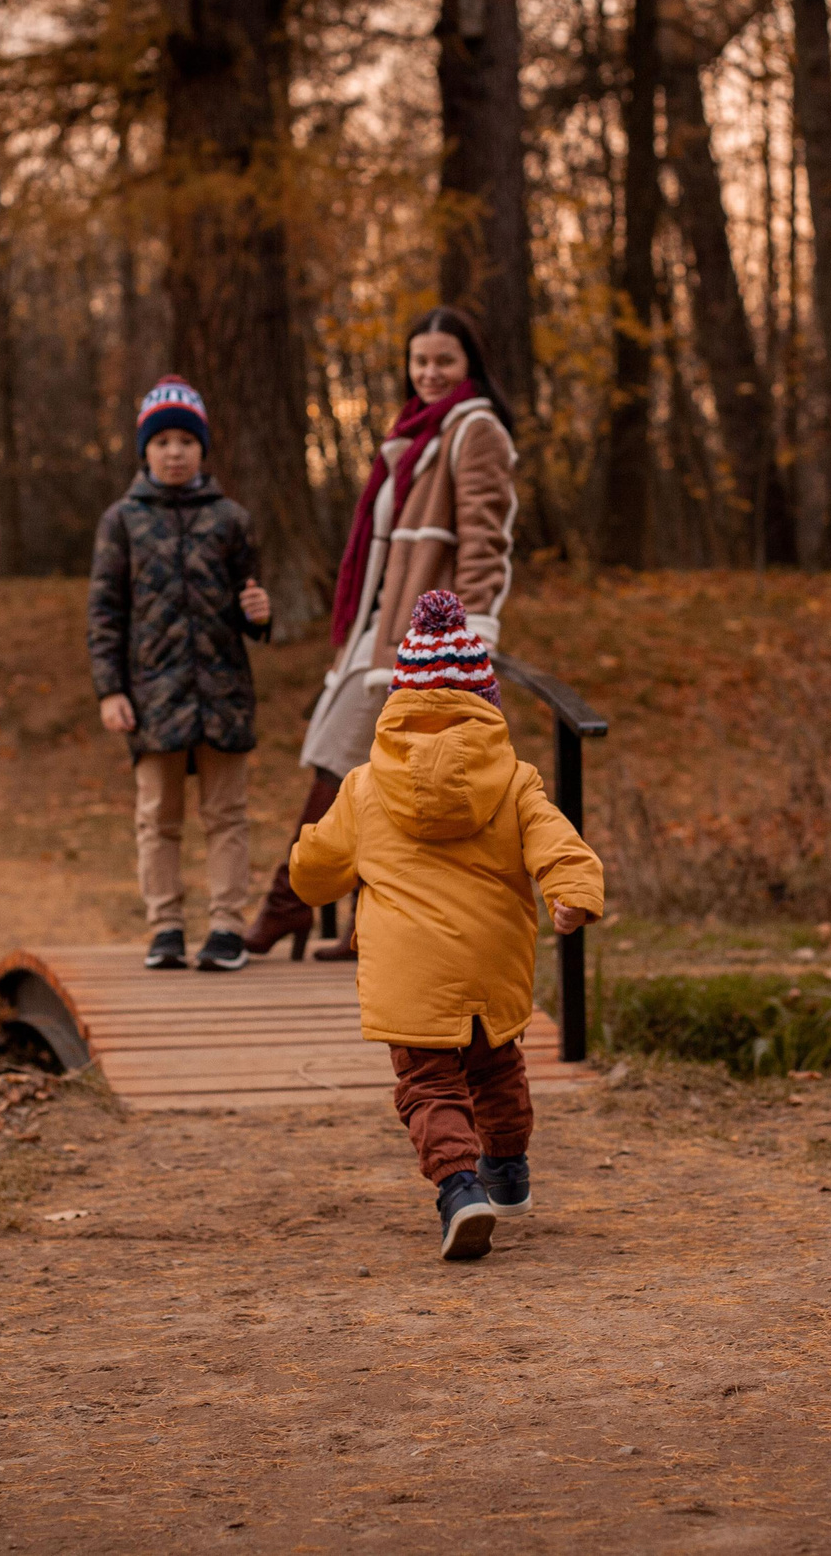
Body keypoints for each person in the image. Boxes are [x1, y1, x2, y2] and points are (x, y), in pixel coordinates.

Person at [289, 591, 603, 1261]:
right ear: (485, 702)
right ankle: (509, 1170)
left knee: (429, 1084)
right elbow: (559, 843)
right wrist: (571, 894)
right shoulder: (516, 780)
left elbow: (316, 871)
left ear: (400, 700)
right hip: (492, 965)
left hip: (409, 974)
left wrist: (304, 871)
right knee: (496, 1070)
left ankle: (461, 1189)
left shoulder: (366, 786)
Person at [244, 306, 520, 961]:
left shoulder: (473, 430)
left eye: (444, 360)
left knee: (344, 765)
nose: (430, 372)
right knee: (364, 773)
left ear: (469, 366)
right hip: (380, 631)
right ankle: (355, 917)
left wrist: (473, 629)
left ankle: (290, 902)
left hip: (427, 640)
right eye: (419, 360)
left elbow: (486, 536)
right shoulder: (412, 435)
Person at [87, 375, 274, 973]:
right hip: (151, 694)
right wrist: (111, 689)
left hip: (222, 693)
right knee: (157, 816)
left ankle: (225, 926)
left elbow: (252, 605)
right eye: (162, 440)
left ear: (202, 448)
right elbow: (104, 611)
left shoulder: (230, 520)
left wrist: (261, 616)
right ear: (145, 449)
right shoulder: (122, 521)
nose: (174, 451)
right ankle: (165, 927)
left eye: (185, 441)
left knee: (226, 814)